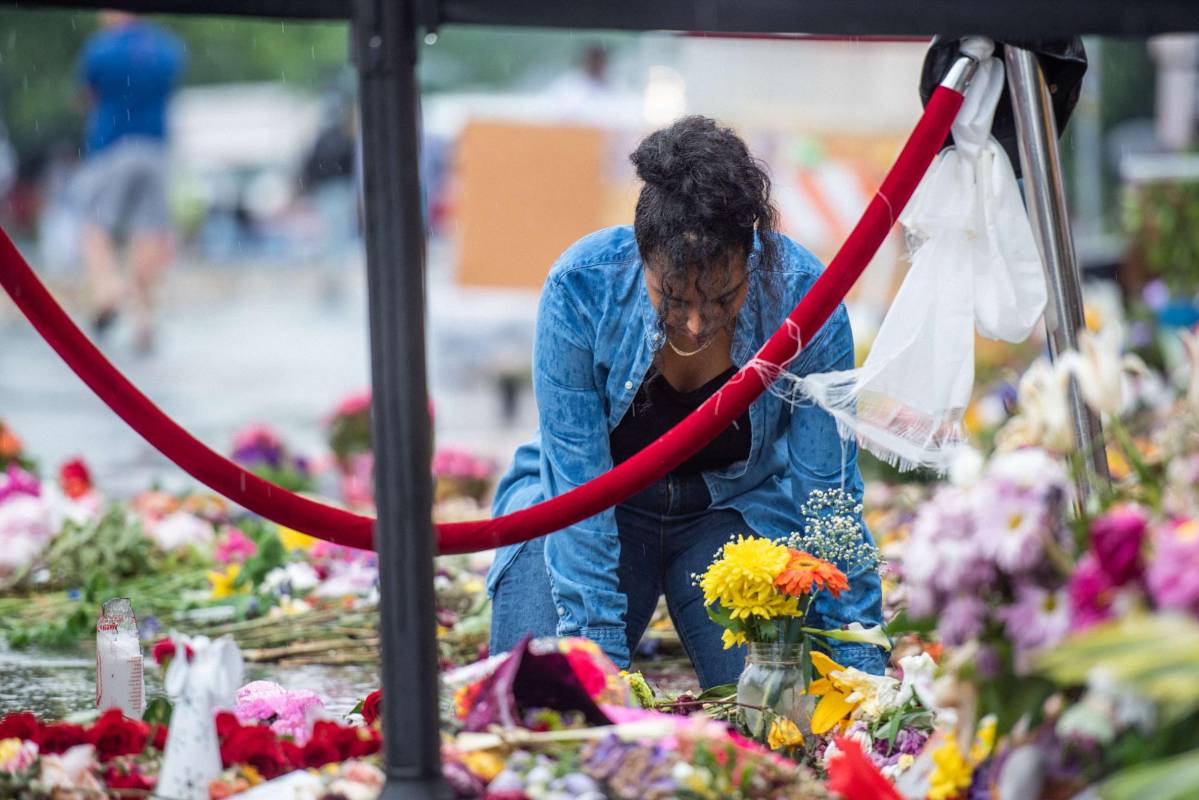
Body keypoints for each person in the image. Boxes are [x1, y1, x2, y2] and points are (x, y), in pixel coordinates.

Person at [487, 116, 885, 688]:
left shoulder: (804, 299)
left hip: (732, 515)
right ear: (640, 255)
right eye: (671, 297)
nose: (696, 324)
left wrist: (859, 660)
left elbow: (827, 493)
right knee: (543, 695)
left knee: (783, 709)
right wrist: (600, 659)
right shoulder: (581, 286)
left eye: (723, 297)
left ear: (754, 257)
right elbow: (578, 490)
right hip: (582, 509)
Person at [75, 11, 185, 353]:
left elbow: (86, 96)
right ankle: (145, 319)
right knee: (149, 232)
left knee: (96, 227)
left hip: (113, 145)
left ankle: (108, 290)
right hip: (155, 147)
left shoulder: (101, 49)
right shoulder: (167, 47)